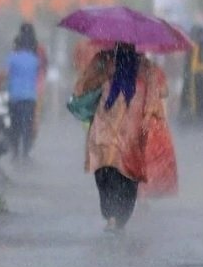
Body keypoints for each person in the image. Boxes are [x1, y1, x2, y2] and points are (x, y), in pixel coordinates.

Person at [73, 41, 175, 232]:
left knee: (121, 175)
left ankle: (116, 217)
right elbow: (84, 86)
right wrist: (105, 73)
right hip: (110, 132)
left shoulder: (143, 67)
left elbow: (156, 93)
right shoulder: (105, 62)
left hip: (126, 134)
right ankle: (115, 216)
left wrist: (147, 117)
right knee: (110, 173)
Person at [5, 27, 41, 162]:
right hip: (30, 97)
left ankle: (15, 152)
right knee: (27, 125)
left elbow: (6, 75)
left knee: (15, 125)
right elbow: (36, 75)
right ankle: (26, 152)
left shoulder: (12, 58)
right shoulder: (34, 60)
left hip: (15, 97)